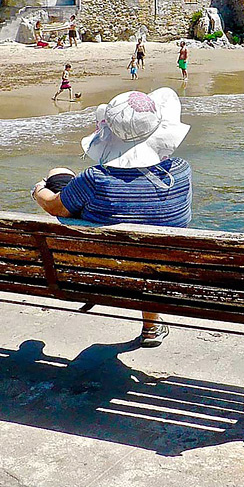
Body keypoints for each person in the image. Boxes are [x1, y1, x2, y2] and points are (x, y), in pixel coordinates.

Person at [31, 88, 193, 347]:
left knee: (58, 174)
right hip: (160, 271)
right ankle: (151, 326)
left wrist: (38, 190)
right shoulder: (181, 171)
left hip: (103, 272)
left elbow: (53, 207)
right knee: (149, 248)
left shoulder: (94, 179)